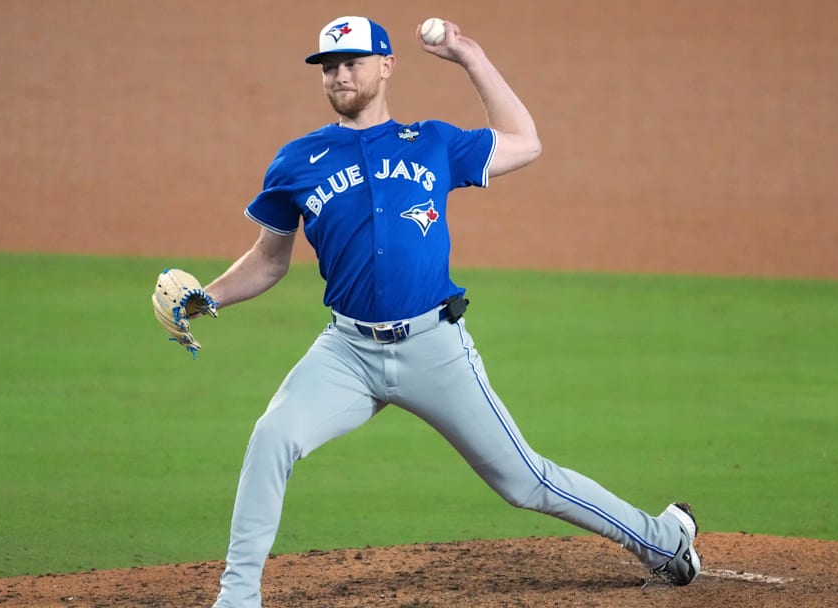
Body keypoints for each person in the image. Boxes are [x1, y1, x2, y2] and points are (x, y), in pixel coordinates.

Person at [197, 15, 701, 608]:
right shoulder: (296, 161)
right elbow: (269, 261)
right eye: (329, 66)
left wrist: (470, 57)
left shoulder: (432, 141)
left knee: (525, 481)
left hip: (433, 346)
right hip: (346, 352)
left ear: (386, 66)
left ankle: (665, 539)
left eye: (352, 61)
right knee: (272, 436)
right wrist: (207, 298)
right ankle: (237, 598)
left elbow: (525, 142)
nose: (338, 74)